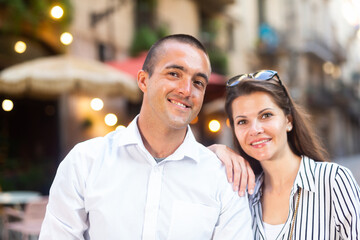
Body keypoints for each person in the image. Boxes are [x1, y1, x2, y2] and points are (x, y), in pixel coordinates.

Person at [39, 34, 253, 239]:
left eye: (198, 82)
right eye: (174, 74)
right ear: (143, 81)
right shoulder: (85, 162)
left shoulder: (224, 178)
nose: (187, 90)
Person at [210, 70, 360, 239]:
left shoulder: (332, 180)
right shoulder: (241, 195)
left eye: (266, 115)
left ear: (288, 121)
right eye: (242, 121)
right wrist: (212, 152)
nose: (255, 130)